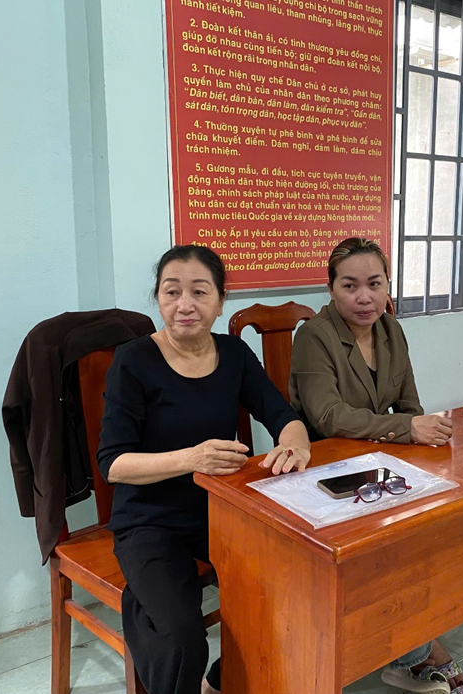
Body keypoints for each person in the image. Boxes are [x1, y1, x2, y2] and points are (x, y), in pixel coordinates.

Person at [97, 245, 311, 694]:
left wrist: (295, 446)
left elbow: (283, 416)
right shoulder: (134, 360)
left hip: (223, 509)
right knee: (180, 637)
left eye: (199, 291)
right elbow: (113, 463)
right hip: (149, 520)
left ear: (220, 300)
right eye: (172, 291)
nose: (185, 304)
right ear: (158, 298)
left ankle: (220, 682)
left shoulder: (234, 354)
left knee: (297, 591)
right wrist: (192, 459)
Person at [289, 238, 463, 694]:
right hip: (326, 473)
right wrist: (407, 429)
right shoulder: (314, 335)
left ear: (388, 285)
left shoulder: (391, 329)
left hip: (380, 462)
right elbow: (328, 416)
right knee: (391, 552)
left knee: (440, 522)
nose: (364, 297)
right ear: (331, 289)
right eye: (349, 286)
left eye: (374, 284)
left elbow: (410, 404)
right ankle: (415, 651)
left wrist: (420, 439)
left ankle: (405, 641)